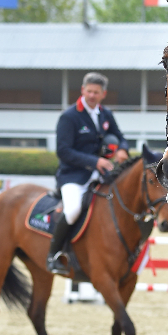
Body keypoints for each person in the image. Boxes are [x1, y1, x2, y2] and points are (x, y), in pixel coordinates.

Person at [47, 72, 129, 274]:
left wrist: (122, 149)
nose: (92, 95)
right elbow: (63, 151)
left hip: (101, 175)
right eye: (89, 91)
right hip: (73, 176)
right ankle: (53, 255)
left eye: (96, 92)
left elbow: (120, 136)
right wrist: (95, 161)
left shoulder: (106, 114)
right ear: (83, 90)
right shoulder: (69, 116)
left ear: (103, 94)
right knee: (73, 210)